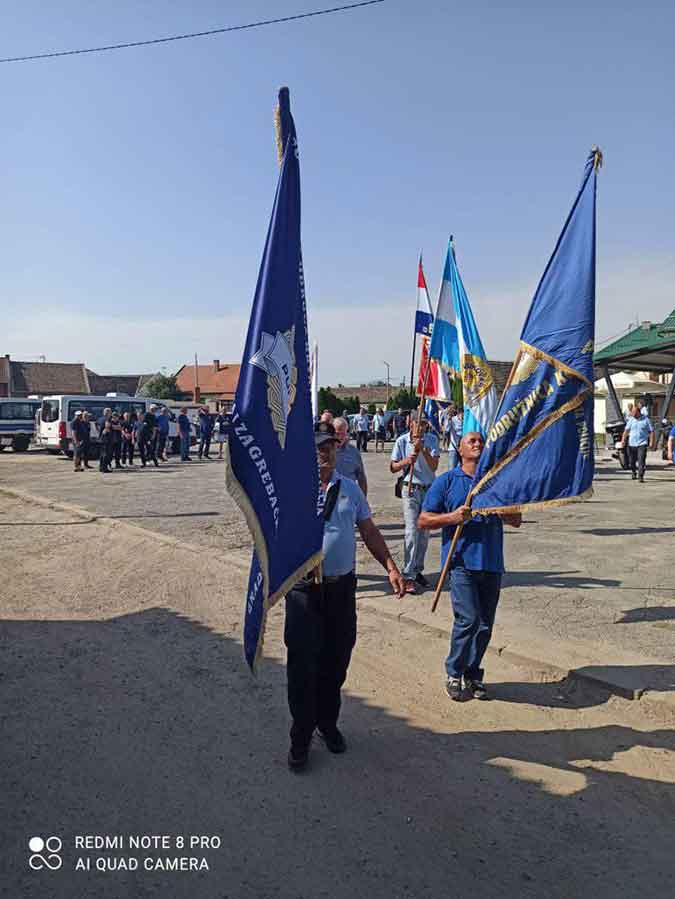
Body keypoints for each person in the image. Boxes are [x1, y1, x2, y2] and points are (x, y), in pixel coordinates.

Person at [284, 421, 406, 771]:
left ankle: (327, 723)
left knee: (336, 660)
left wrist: (391, 567)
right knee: (302, 665)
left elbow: (368, 530)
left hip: (341, 589)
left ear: (337, 451)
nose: (323, 453)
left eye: (328, 447)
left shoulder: (350, 489)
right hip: (303, 590)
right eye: (316, 448)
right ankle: (301, 736)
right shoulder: (292, 489)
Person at [418, 432, 522, 701]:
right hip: (461, 563)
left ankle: (472, 673)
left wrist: (504, 512)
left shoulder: (496, 481)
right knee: (469, 619)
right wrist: (453, 517)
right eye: (471, 441)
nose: (477, 444)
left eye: (481, 442)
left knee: (485, 625)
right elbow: (424, 520)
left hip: (492, 563)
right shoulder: (447, 481)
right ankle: (454, 672)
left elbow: (517, 519)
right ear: (460, 450)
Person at [390, 412, 439, 592]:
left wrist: (422, 449)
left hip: (428, 489)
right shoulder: (402, 441)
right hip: (410, 489)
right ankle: (408, 574)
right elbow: (393, 467)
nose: (421, 426)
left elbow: (434, 466)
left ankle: (417, 570)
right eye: (418, 422)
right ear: (410, 423)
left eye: (424, 423)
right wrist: (406, 461)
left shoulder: (432, 440)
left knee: (424, 533)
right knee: (412, 531)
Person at [333, 417, 367, 495]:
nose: (340, 437)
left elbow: (361, 477)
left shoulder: (353, 452)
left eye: (343, 433)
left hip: (349, 496)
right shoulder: (326, 451)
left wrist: (363, 499)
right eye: (337, 434)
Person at [622, 405, 654, 482]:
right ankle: (633, 472)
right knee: (631, 461)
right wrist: (623, 440)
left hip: (642, 443)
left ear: (638, 412)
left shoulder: (646, 420)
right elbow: (626, 431)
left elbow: (651, 431)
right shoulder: (631, 420)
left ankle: (640, 476)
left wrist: (651, 442)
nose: (632, 414)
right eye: (632, 412)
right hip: (632, 444)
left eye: (634, 412)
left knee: (641, 460)